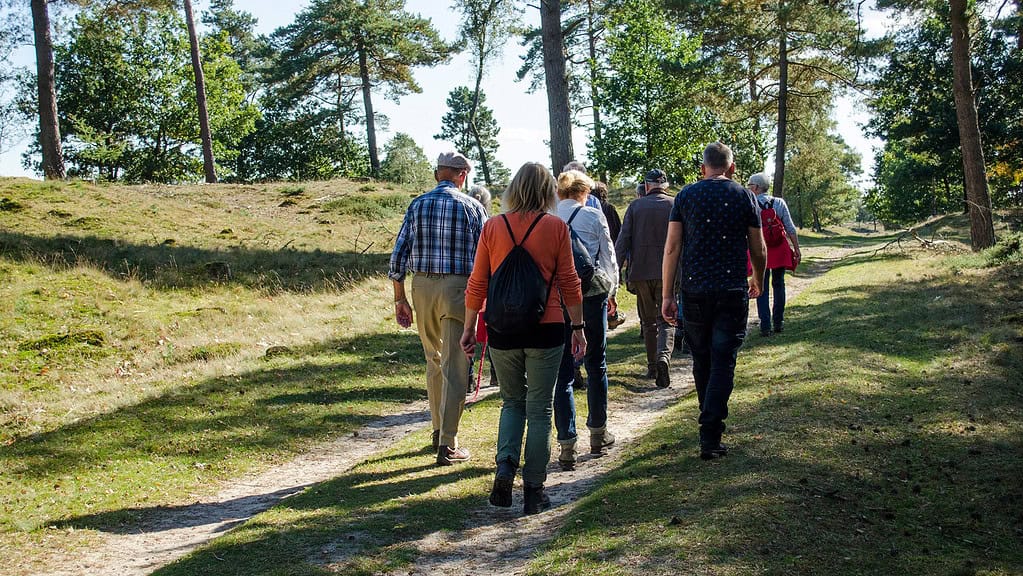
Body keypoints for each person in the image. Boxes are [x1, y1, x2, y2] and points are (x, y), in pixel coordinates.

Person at [461, 162, 586, 515]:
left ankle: (505, 465)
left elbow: (477, 283)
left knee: (512, 402)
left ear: (513, 189)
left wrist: (470, 328)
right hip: (546, 327)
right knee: (540, 408)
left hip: (502, 329)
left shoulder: (493, 227)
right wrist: (577, 328)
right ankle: (534, 488)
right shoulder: (555, 227)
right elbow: (569, 283)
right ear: (548, 191)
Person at [661, 142, 766, 460]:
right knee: (723, 360)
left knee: (702, 359)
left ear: (703, 167)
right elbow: (758, 248)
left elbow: (672, 248)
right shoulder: (744, 196)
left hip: (694, 291)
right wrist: (758, 279)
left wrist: (668, 294)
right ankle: (710, 430)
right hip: (732, 290)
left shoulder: (685, 196)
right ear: (731, 168)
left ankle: (708, 429)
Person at [389, 151, 488, 467]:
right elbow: (485, 257)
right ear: (462, 175)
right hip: (459, 288)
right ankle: (448, 442)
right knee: (455, 365)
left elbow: (398, 255)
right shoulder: (473, 207)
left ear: (437, 175)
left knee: (433, 360)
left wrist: (399, 298)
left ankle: (437, 430)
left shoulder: (417, 205)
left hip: (423, 287)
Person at [551, 169, 619, 468]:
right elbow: (609, 258)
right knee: (596, 362)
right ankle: (598, 432)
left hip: (557, 300)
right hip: (591, 297)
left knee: (562, 371)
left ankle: (567, 443)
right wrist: (611, 292)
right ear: (585, 192)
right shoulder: (593, 216)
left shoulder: (548, 218)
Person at [615, 169, 676, 388]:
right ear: (665, 186)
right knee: (667, 318)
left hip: (640, 272)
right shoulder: (674, 204)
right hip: (668, 272)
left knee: (648, 321)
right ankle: (663, 357)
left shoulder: (635, 206)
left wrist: (616, 271)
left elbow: (623, 240)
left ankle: (652, 366)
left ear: (647, 185)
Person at [746, 173, 801, 336]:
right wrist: (796, 248)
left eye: (749, 185)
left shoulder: (750, 202)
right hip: (779, 248)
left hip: (759, 249)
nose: (748, 188)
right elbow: (790, 227)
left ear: (755, 187)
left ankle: (765, 325)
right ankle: (779, 322)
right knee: (779, 284)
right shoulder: (779, 203)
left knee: (760, 285)